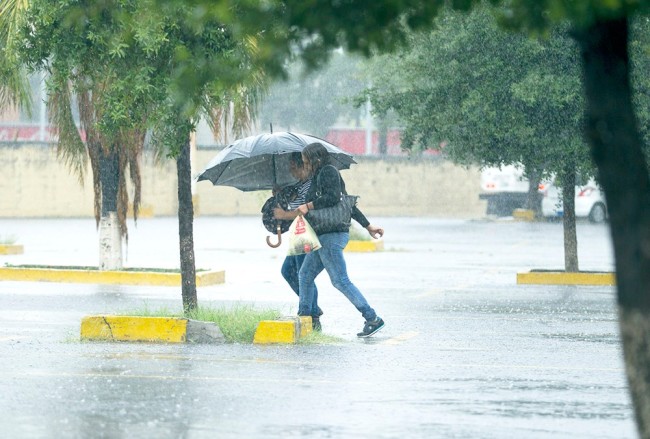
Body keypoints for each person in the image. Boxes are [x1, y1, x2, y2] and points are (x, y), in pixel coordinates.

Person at [275, 142, 385, 337]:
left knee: (340, 281)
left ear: (316, 159)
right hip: (323, 235)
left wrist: (309, 205)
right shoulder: (317, 176)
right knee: (305, 275)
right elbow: (347, 203)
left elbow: (335, 198)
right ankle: (307, 318)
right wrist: (368, 226)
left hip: (333, 236)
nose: (305, 164)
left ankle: (372, 318)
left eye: (306, 161)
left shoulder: (328, 171)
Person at [273, 153, 323, 329]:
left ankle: (313, 314)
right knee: (288, 271)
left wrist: (283, 215)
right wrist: (279, 195)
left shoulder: (311, 185)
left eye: (293, 168)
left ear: (301, 165)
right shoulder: (300, 185)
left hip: (307, 233)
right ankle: (313, 308)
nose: (291, 172)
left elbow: (304, 211)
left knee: (305, 275)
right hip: (298, 234)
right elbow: (294, 205)